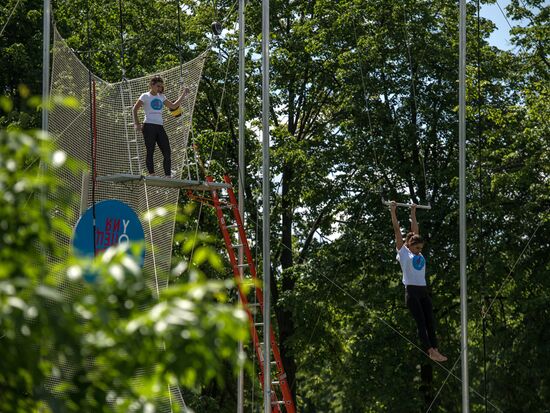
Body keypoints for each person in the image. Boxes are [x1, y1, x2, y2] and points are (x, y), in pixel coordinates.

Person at [389, 201, 447, 362]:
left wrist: (413, 212)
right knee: (421, 323)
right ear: (409, 245)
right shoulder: (403, 252)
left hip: (423, 291)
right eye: (417, 248)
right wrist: (393, 211)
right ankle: (429, 350)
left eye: (421, 249)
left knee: (430, 321)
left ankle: (435, 349)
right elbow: (397, 232)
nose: (419, 251)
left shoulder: (417, 251)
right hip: (412, 292)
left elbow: (415, 230)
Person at [132, 76, 189, 177]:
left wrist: (184, 94)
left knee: (167, 151)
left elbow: (173, 106)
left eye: (161, 87)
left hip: (159, 126)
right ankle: (152, 173)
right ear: (152, 85)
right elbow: (134, 109)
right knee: (150, 150)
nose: (159, 89)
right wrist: (137, 124)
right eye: (158, 86)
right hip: (148, 126)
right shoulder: (145, 96)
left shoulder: (161, 96)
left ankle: (168, 175)